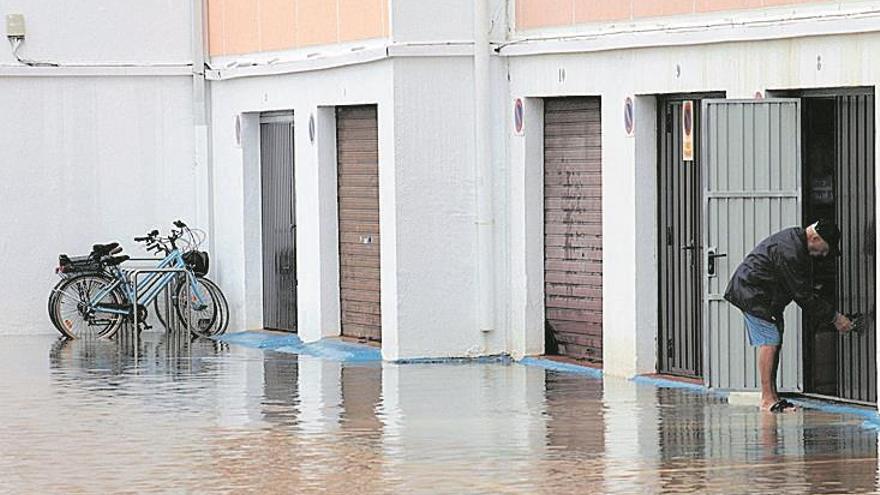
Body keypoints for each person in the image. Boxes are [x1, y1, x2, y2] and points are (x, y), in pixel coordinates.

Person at [724, 220, 853, 413]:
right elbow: (803, 295)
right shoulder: (790, 250)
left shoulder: (796, 243)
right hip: (752, 293)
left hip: (764, 296)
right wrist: (835, 318)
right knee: (770, 341)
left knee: (775, 340)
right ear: (815, 238)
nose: (824, 255)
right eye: (825, 249)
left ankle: (772, 397)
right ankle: (767, 400)